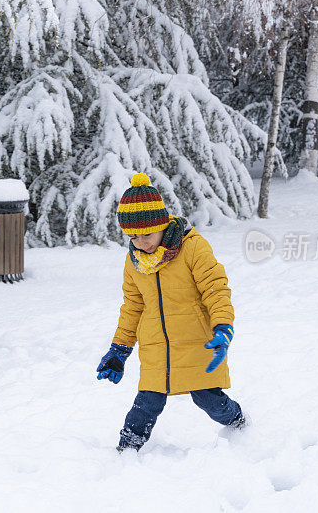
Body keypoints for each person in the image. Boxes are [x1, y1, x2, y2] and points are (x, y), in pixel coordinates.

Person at [96, 172, 247, 452]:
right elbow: (132, 307)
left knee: (209, 400)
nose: (140, 242)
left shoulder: (192, 248)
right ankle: (125, 452)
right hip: (157, 348)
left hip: (196, 343)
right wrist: (119, 349)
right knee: (146, 404)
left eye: (146, 234)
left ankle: (240, 424)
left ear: (163, 224)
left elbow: (215, 289)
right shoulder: (134, 262)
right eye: (132, 236)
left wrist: (223, 327)